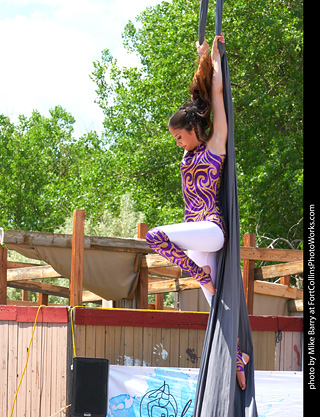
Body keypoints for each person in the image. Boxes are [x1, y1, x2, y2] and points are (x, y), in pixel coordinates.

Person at [145, 34, 249, 390]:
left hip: (211, 228)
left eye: (178, 137)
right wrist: (201, 58)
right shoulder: (187, 156)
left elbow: (215, 97)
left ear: (192, 131)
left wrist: (217, 61)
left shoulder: (215, 145)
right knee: (217, 311)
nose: (177, 142)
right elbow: (198, 97)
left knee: (154, 236)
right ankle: (239, 359)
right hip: (197, 240)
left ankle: (202, 276)